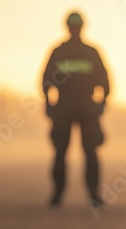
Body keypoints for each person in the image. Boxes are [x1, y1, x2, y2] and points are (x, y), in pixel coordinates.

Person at [42, 12, 109, 207]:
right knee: (67, 152)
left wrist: (49, 104)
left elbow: (104, 82)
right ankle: (61, 195)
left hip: (75, 108)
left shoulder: (63, 52)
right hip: (75, 108)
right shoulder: (88, 52)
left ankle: (91, 196)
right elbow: (46, 82)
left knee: (84, 152)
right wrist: (101, 104)